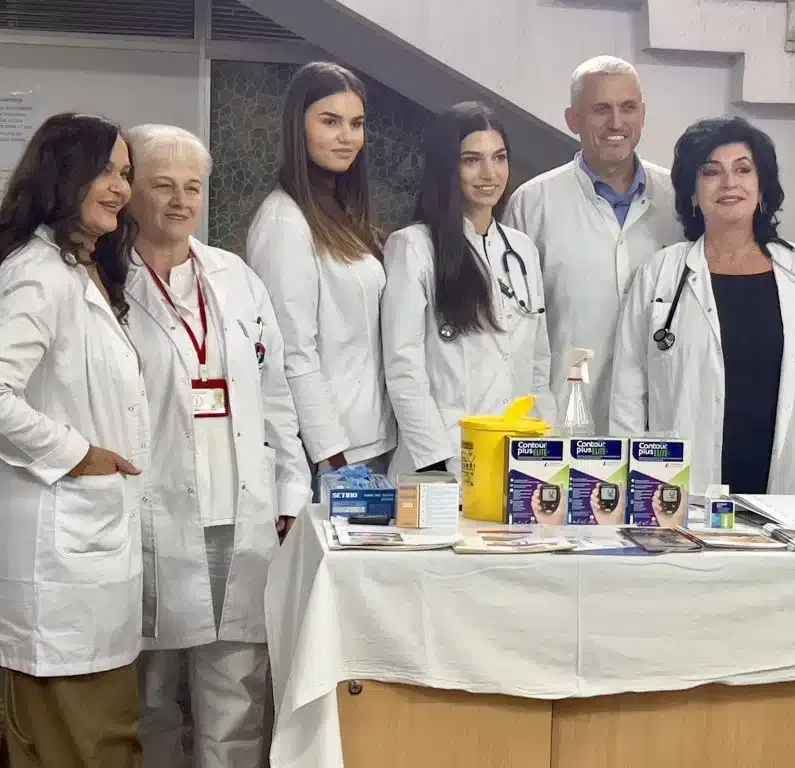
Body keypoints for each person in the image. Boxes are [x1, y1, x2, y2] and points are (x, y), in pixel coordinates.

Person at [122, 124, 310, 766]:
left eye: (193, 187)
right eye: (162, 186)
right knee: (147, 695)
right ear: (130, 191)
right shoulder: (106, 280)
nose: (181, 202)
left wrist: (291, 488)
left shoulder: (235, 277)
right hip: (152, 508)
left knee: (238, 691)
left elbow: (275, 391)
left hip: (240, 508)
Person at [0, 113, 148, 765]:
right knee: (81, 746)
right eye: (105, 171)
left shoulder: (82, 268)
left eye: (125, 173)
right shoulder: (38, 273)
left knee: (105, 739)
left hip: (90, 555)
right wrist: (78, 455)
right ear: (64, 176)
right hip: (58, 565)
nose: (121, 188)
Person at [609, 117, 795, 496]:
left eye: (743, 169)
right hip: (681, 487)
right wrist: (633, 486)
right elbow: (628, 390)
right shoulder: (659, 275)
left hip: (789, 484)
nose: (729, 183)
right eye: (711, 172)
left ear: (762, 187)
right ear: (693, 194)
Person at [504, 55, 683, 431]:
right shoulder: (533, 204)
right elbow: (512, 331)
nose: (616, 123)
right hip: (562, 424)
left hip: (658, 427)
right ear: (573, 120)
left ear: (643, 114)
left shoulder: (680, 200)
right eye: (601, 109)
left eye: (628, 108)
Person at [382, 102, 555, 476]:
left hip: (517, 459)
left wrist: (547, 449)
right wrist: (436, 463)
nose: (490, 173)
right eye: (472, 160)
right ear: (448, 168)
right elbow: (403, 369)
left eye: (499, 157)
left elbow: (538, 366)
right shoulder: (413, 247)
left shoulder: (522, 249)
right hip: (444, 460)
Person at [248, 62, 395, 476]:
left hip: (373, 440)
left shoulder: (344, 215)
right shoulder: (284, 222)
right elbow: (291, 352)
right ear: (298, 127)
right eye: (330, 122)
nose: (347, 137)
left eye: (356, 124)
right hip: (331, 454)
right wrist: (332, 455)